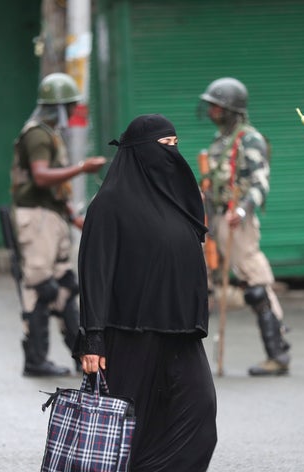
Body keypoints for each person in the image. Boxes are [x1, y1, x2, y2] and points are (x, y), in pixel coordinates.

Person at [77, 114, 217, 471]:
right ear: (140, 152)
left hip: (181, 331)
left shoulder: (174, 200)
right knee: (129, 431)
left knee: (198, 417)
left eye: (176, 145)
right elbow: (95, 272)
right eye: (164, 147)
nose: (173, 154)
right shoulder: (109, 204)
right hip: (130, 334)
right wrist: (93, 338)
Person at [10, 72, 106, 377]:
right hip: (36, 218)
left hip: (50, 216)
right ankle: (35, 360)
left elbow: (53, 187)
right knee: (40, 287)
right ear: (58, 106)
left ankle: (82, 358)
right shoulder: (37, 135)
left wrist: (74, 217)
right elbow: (40, 177)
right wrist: (81, 168)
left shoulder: (49, 133)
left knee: (65, 286)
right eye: (70, 106)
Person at [197, 77, 291, 376]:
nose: (211, 110)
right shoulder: (219, 141)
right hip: (217, 218)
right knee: (219, 283)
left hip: (238, 219)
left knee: (255, 284)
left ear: (231, 109)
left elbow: (260, 182)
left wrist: (242, 207)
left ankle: (278, 353)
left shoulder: (249, 139)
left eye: (217, 106)